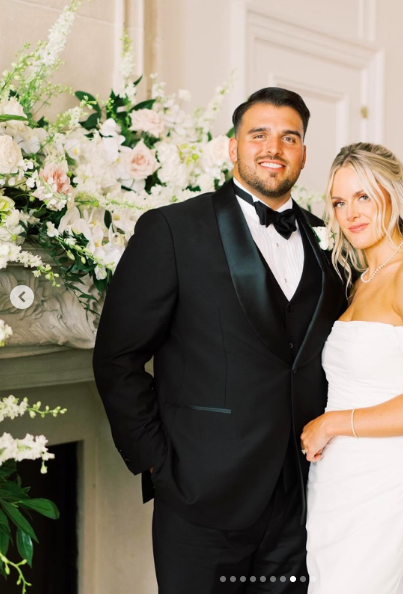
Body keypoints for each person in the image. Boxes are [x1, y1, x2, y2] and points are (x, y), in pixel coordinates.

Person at [92, 87, 346, 593]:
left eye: (289, 137)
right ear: (233, 147)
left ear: (302, 153)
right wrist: (157, 464)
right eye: (259, 134)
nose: (274, 147)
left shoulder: (328, 240)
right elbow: (117, 357)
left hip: (302, 494)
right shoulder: (172, 230)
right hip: (200, 494)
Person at [301, 142, 403, 594]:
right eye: (339, 201)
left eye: (363, 196)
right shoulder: (361, 278)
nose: (351, 212)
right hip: (338, 480)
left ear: (392, 193)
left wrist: (332, 424)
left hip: (387, 481)